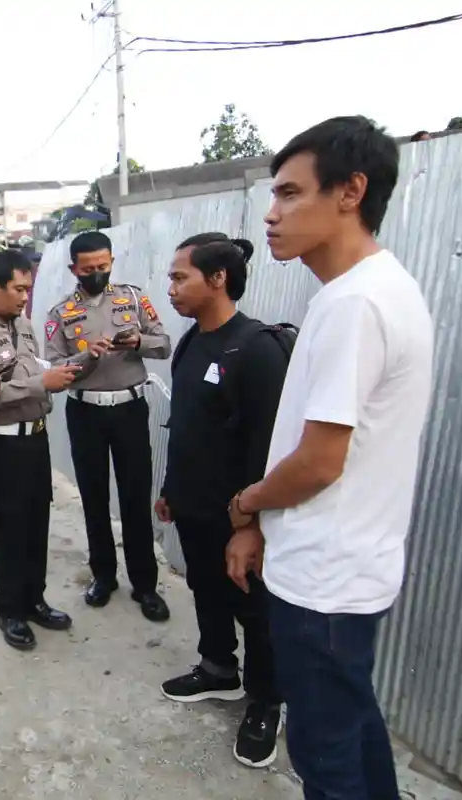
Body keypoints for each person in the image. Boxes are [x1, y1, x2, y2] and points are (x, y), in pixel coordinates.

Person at [227, 116, 433, 798]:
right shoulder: (369, 290)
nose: (272, 213)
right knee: (351, 728)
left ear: (350, 192)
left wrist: (248, 503)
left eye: (290, 193)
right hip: (346, 567)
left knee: (328, 760)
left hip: (325, 580)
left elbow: (318, 462)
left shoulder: (357, 304)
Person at [156, 233, 288, 768]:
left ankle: (265, 700)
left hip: (238, 515)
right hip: (193, 504)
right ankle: (217, 669)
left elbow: (270, 448)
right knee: (205, 588)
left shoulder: (257, 349)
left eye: (179, 277)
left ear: (217, 279)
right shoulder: (191, 341)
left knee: (255, 608)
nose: (170, 288)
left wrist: (250, 525)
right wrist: (170, 488)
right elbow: (185, 424)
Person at [0, 249, 80, 650]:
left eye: (29, 288)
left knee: (36, 522)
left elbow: (33, 370)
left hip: (36, 438)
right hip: (3, 445)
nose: (25, 297)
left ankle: (33, 598)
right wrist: (43, 383)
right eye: (19, 289)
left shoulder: (24, 326)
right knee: (7, 529)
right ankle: (9, 608)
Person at [44, 230, 172, 621]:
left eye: (103, 266)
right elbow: (53, 366)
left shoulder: (133, 299)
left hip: (129, 410)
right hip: (86, 414)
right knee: (94, 498)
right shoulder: (60, 312)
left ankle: (145, 585)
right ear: (74, 269)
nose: (96, 273)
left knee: (135, 498)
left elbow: (164, 343)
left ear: (111, 262)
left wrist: (136, 343)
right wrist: (86, 355)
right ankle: (103, 576)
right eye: (88, 269)